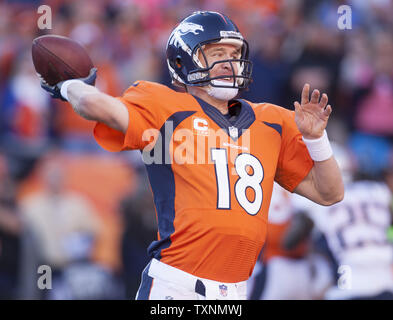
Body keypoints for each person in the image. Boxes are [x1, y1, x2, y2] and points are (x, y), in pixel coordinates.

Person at [40, 11, 344, 300]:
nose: (229, 63)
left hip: (238, 291)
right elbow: (96, 106)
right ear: (183, 62)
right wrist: (71, 85)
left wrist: (317, 139)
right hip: (178, 287)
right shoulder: (166, 107)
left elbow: (330, 193)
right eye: (216, 54)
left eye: (234, 55)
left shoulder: (271, 121)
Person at [290, 143, 393, 300]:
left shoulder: (314, 202)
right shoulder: (379, 190)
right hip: (386, 278)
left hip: (349, 281)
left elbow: (289, 242)